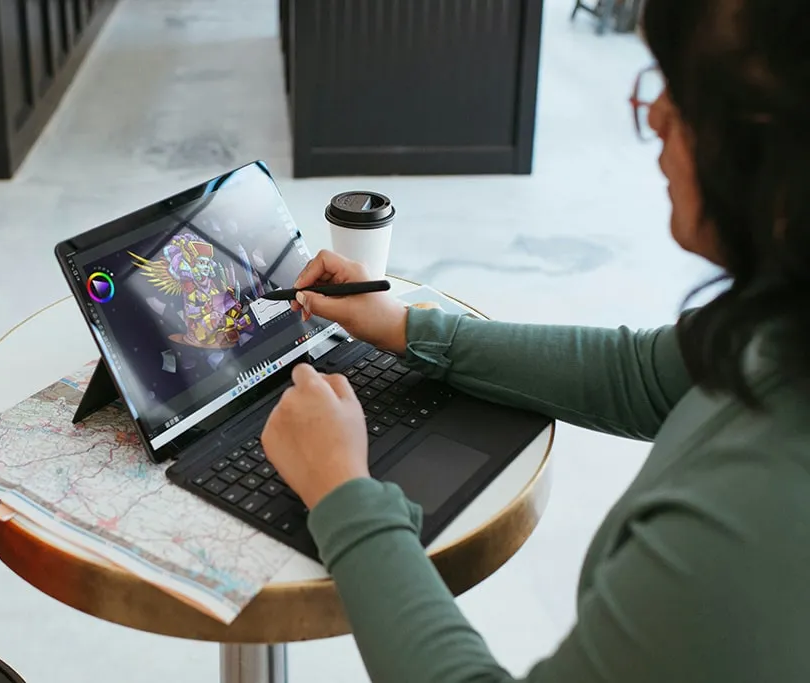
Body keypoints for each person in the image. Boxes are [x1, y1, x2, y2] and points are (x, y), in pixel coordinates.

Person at [261, 0, 810, 681]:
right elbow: (639, 374)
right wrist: (406, 327)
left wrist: (343, 490)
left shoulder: (751, 525)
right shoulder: (779, 317)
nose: (657, 115)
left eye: (688, 92)